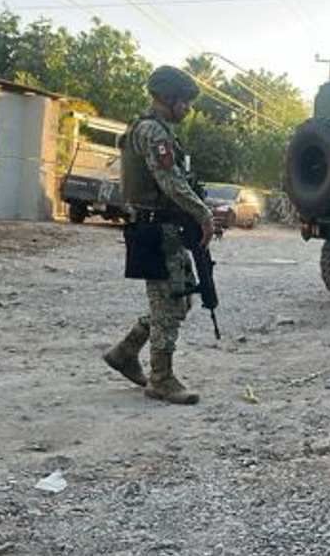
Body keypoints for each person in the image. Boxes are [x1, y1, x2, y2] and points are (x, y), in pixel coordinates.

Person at [103, 65, 214, 405]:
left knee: (178, 300)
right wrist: (203, 214)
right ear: (167, 98)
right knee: (170, 302)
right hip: (157, 229)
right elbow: (171, 183)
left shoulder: (149, 128)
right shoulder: (154, 133)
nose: (188, 109)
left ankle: (126, 352)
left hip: (161, 226)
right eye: (184, 102)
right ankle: (161, 379)